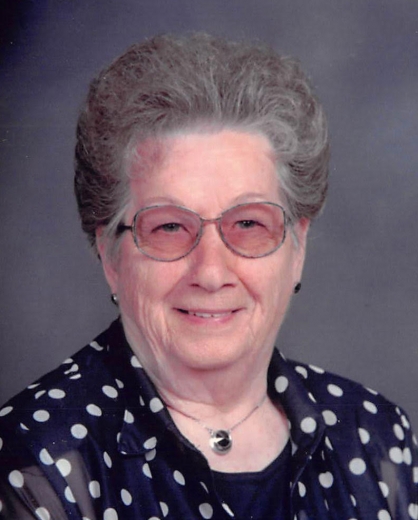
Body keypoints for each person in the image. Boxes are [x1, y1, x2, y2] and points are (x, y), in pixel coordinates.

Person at [0, 32, 416, 520]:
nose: (212, 272)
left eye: (249, 224)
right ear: (110, 254)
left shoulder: (378, 436)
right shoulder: (35, 462)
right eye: (170, 227)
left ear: (297, 246)